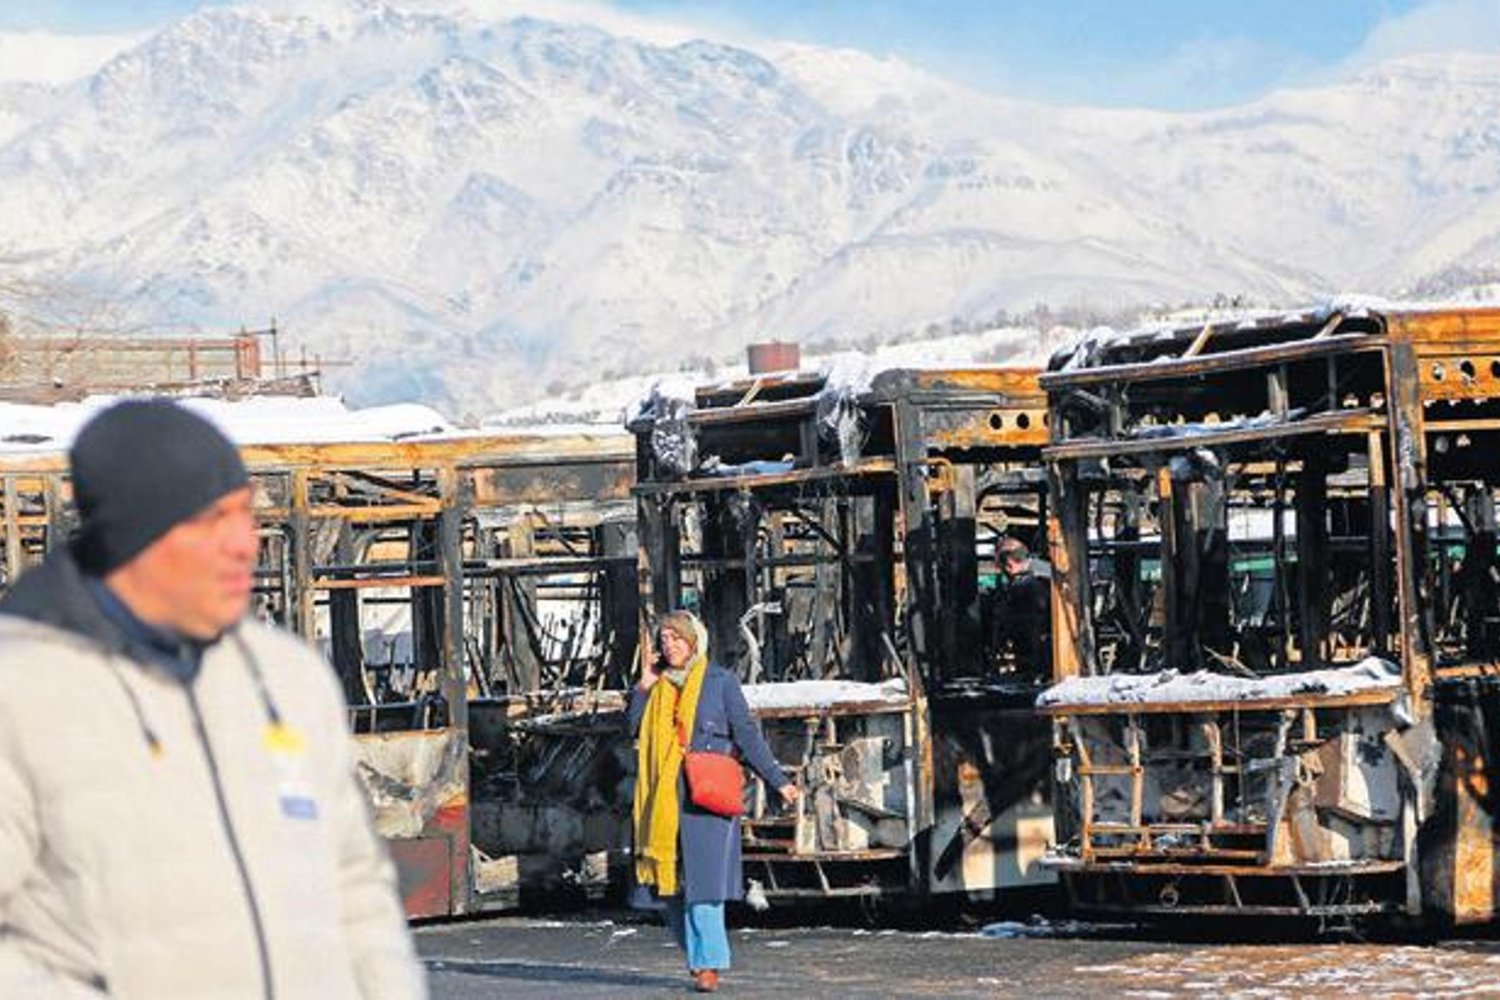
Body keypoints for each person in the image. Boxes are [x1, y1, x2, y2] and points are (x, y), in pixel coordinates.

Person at [0, 400, 427, 999]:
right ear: (135, 535)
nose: (244, 543)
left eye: (246, 514)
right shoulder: (22, 693)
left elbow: (357, 888)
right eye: (211, 520)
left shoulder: (288, 678)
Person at [628, 610, 797, 994]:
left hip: (703, 798)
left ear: (694, 641)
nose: (669, 645)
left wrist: (778, 780)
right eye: (664, 640)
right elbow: (632, 728)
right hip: (660, 799)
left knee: (704, 888)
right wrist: (643, 687)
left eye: (676, 638)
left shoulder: (719, 682)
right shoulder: (655, 686)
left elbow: (746, 735)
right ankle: (696, 955)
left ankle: (708, 963)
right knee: (665, 889)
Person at [993, 536, 1051, 675]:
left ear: (1010, 564)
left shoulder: (1026, 583)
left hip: (1038, 639)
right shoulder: (1045, 568)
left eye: (1004, 569)